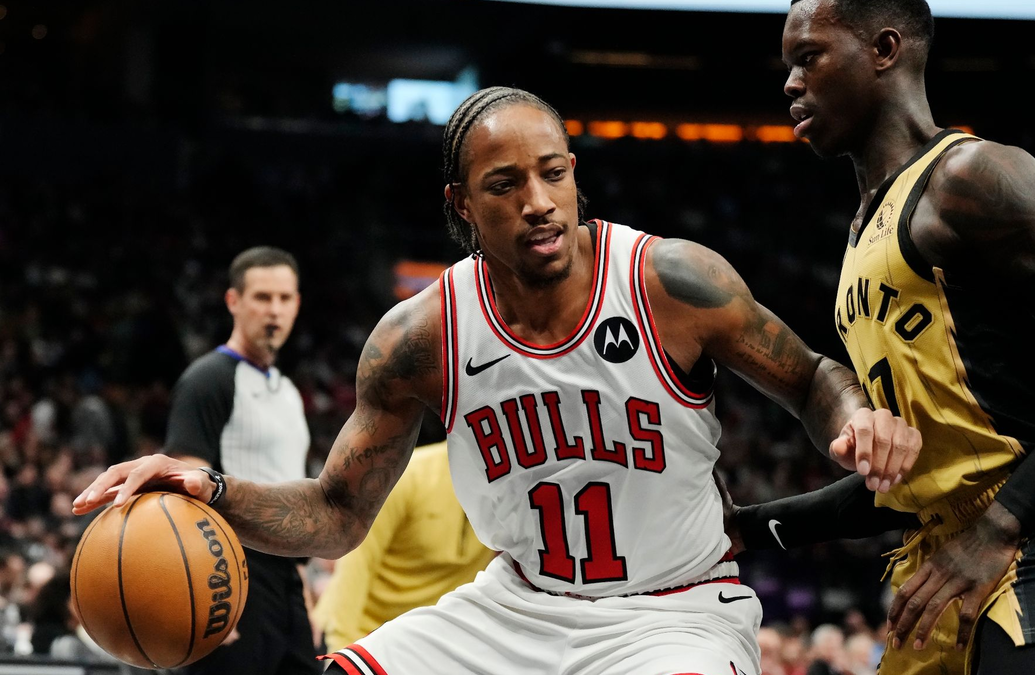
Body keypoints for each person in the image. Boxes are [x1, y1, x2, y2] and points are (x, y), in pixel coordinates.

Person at [73, 86, 922, 675]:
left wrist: (857, 418)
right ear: (463, 204)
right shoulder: (421, 336)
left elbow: (811, 379)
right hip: (517, 610)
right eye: (505, 185)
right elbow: (334, 516)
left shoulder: (673, 281)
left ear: (575, 171)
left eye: (554, 172)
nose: (540, 200)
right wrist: (211, 487)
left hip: (673, 612)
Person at [731, 1, 1035, 674]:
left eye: (809, 58)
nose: (791, 83)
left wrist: (1000, 524)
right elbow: (918, 476)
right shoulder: (861, 233)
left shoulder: (970, 178)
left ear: (884, 49)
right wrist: (752, 526)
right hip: (943, 550)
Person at [162, 246, 319, 675]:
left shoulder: (287, 392)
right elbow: (182, 487)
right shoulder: (207, 379)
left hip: (285, 578)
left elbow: (293, 490)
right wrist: (206, 591)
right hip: (231, 573)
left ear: (297, 304)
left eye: (285, 299)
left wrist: (300, 578)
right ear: (234, 301)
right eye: (262, 297)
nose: (275, 310)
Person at [312, 441, 495, 651]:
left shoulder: (514, 491)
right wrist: (341, 650)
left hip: (426, 643)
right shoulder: (408, 475)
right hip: (363, 637)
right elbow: (357, 567)